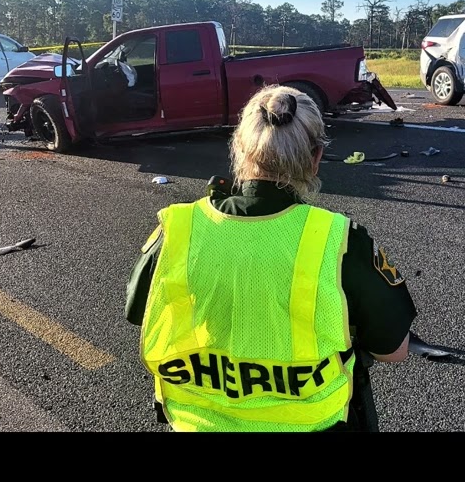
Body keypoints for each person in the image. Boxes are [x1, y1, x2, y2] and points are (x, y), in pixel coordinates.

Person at [125, 84, 417, 432]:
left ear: (239, 149)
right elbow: (392, 350)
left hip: (197, 423)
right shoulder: (338, 240)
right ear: (316, 157)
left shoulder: (178, 228)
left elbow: (137, 311)